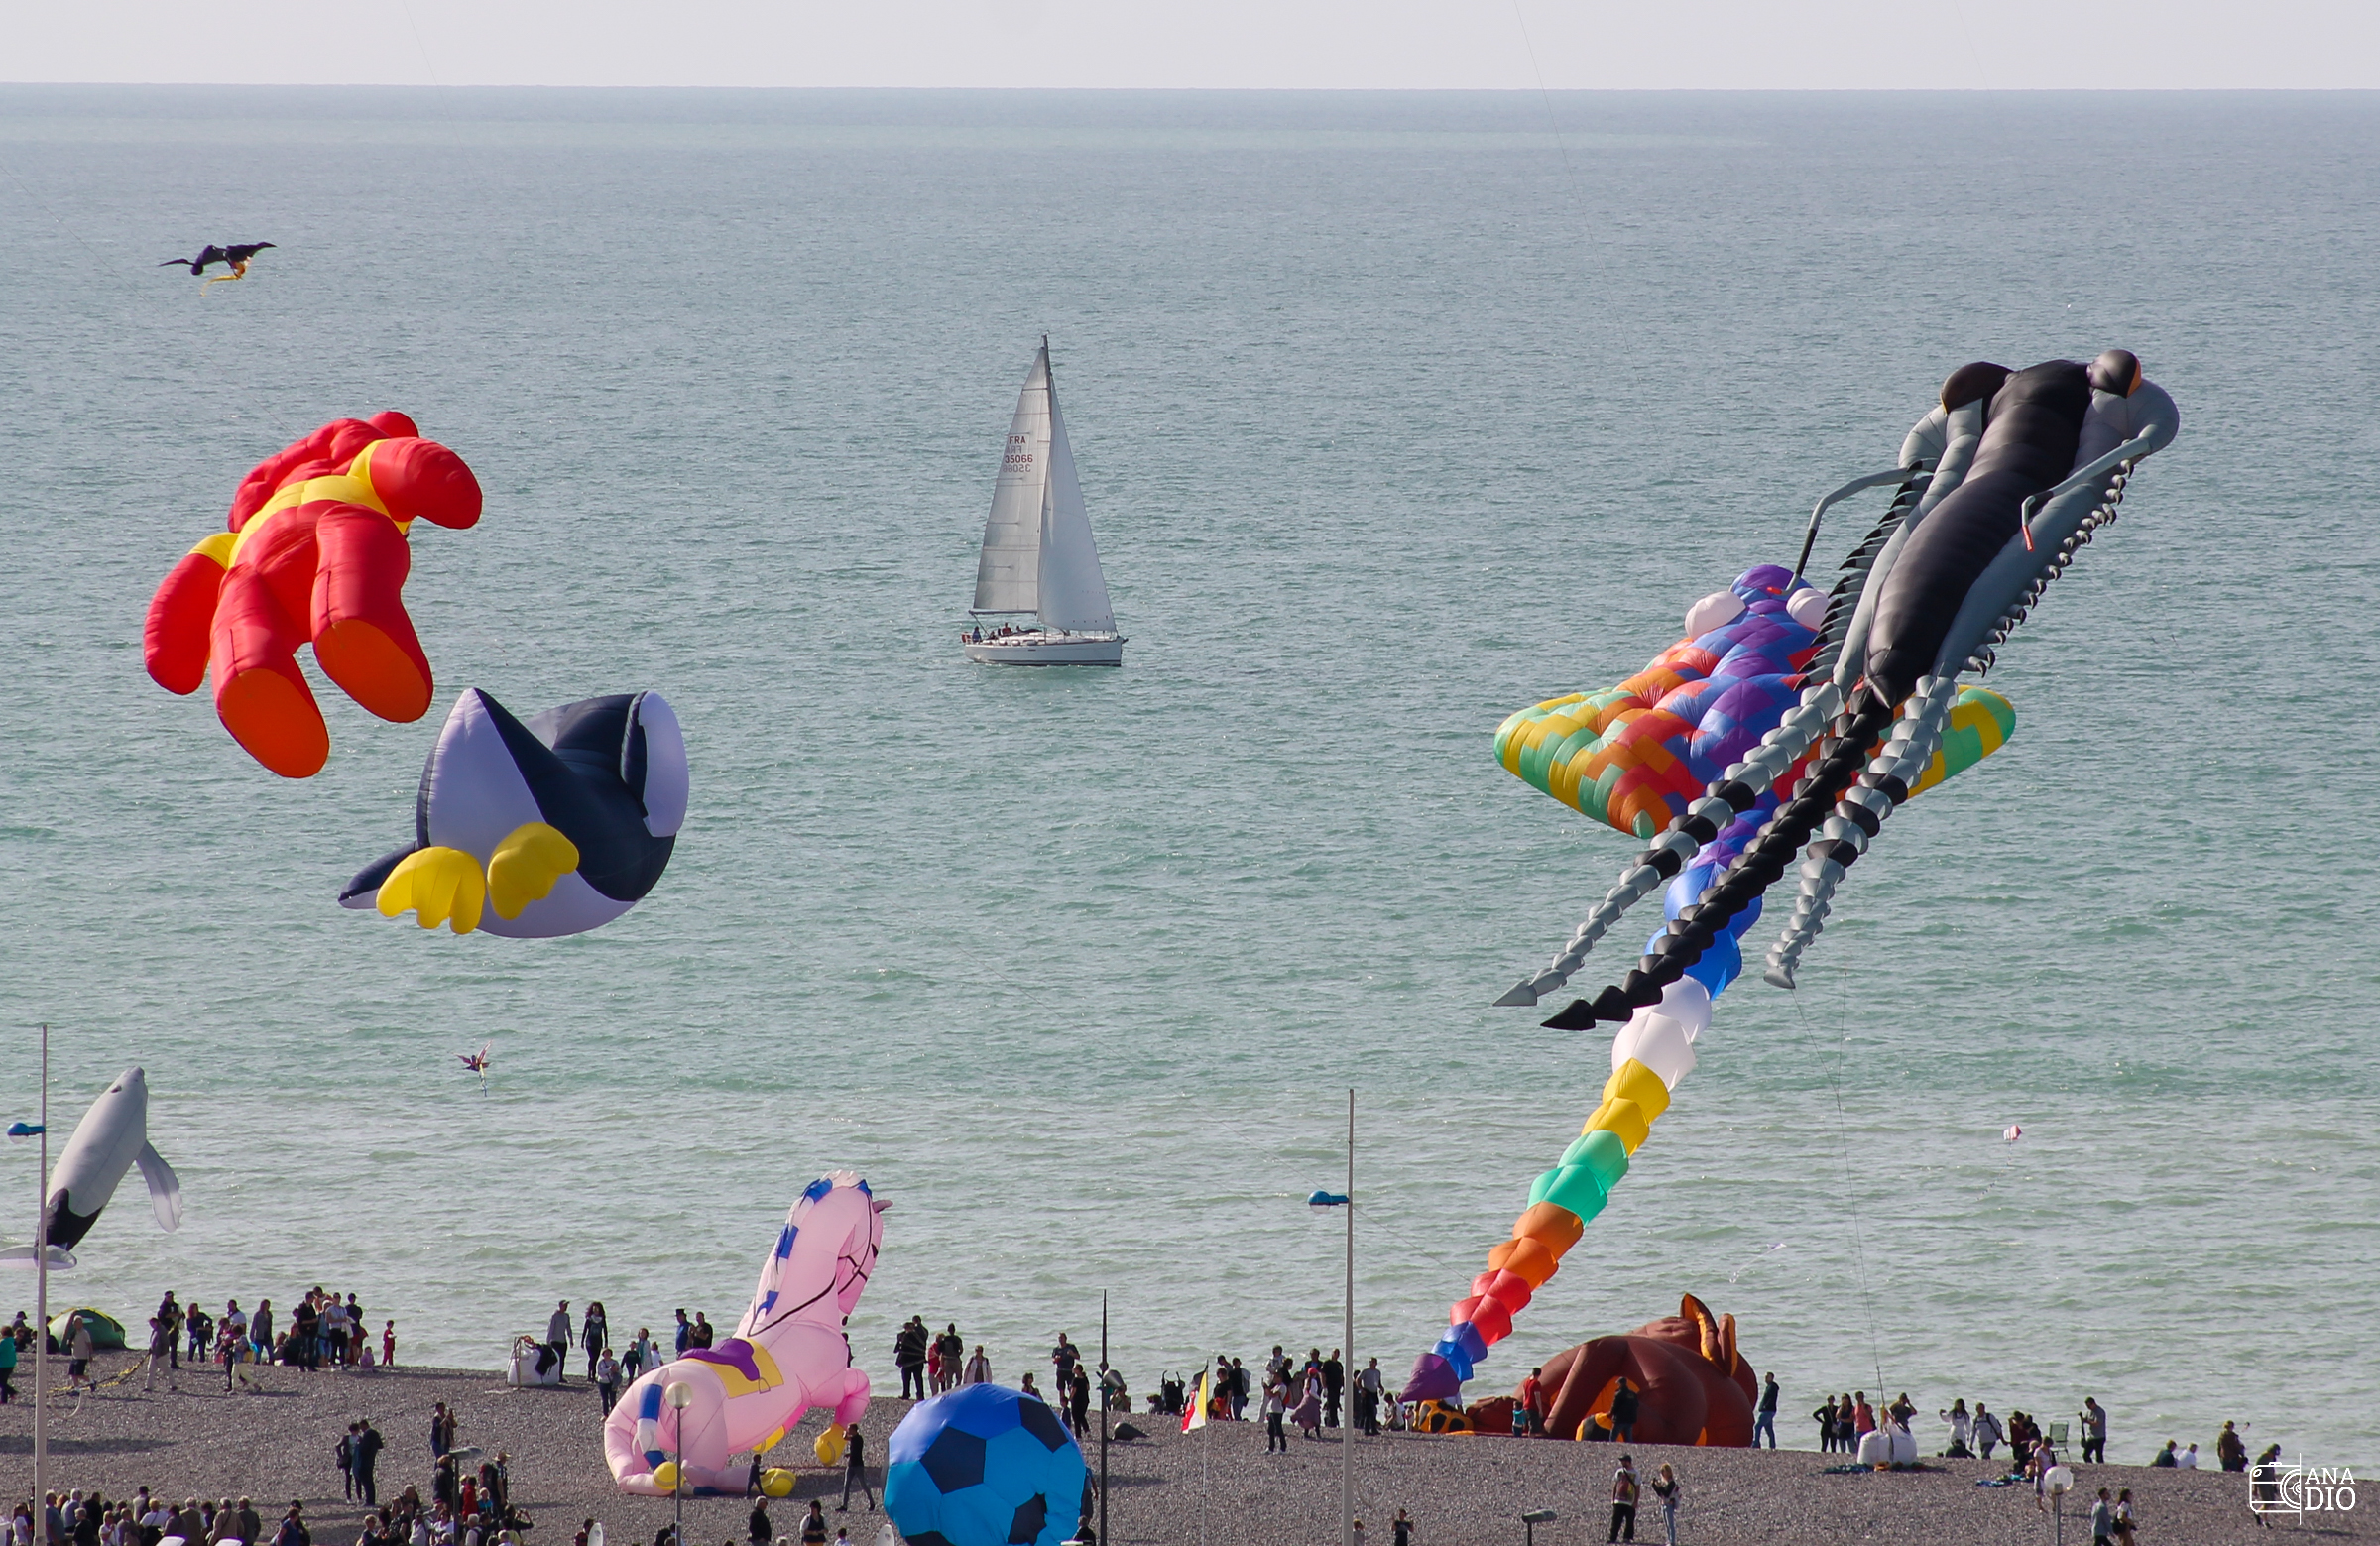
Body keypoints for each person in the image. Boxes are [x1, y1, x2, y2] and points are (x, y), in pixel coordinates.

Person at [838, 1424, 876, 1510]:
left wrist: (849, 1454)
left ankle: (872, 1502)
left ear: (854, 1430)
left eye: (849, 1429)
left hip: (858, 1465)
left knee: (863, 1484)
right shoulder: (853, 1438)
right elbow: (845, 1438)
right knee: (846, 1485)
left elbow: (856, 1452)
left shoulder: (858, 1439)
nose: (849, 1431)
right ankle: (844, 1506)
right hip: (851, 1465)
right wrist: (844, 1432)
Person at [1607, 1454, 1639, 1544]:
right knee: (1616, 1520)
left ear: (1628, 1462)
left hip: (1630, 1500)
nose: (1622, 1462)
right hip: (1619, 1499)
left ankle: (1627, 1537)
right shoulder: (1619, 1472)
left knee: (1630, 1521)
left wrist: (1636, 1501)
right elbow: (1615, 1485)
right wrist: (1613, 1498)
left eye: (1623, 1461)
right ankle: (1613, 1537)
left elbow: (1637, 1487)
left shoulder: (1636, 1473)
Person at [355, 1420, 384, 1505]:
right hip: (371, 1460)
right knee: (370, 1481)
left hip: (365, 1461)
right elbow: (380, 1445)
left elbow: (364, 1448)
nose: (361, 1429)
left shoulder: (368, 1434)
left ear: (365, 1425)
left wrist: (359, 1444)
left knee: (366, 1481)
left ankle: (369, 1500)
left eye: (361, 1427)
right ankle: (371, 1499)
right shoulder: (375, 1433)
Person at [1650, 1464, 1680, 1546]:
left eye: (1664, 1471)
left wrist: (1659, 1486)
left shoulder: (1672, 1483)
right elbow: (1661, 1494)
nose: (1662, 1473)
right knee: (1667, 1524)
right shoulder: (1666, 1483)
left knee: (1670, 1524)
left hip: (1669, 1505)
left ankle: (1672, 1541)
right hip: (1664, 1504)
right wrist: (1655, 1486)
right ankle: (1669, 1540)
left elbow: (1666, 1493)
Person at [1359, 1358, 1385, 1436]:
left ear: (1376, 1363)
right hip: (1367, 1392)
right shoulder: (1365, 1371)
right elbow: (1358, 1380)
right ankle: (1366, 1430)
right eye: (1370, 1362)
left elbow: (1378, 1382)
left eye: (1373, 1362)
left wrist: (1381, 1388)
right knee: (1368, 1412)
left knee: (1374, 1411)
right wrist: (1361, 1390)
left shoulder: (1378, 1372)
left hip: (1374, 1392)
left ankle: (1374, 1429)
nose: (1371, 1363)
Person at [546, 1302, 573, 1381]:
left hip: (563, 1341)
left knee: (562, 1359)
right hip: (555, 1341)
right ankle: (552, 1376)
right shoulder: (555, 1316)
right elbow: (551, 1329)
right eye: (564, 1305)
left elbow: (568, 1328)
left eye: (567, 1306)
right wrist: (548, 1341)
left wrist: (571, 1339)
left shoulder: (566, 1316)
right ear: (560, 1306)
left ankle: (560, 1376)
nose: (566, 1307)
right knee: (555, 1360)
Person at [582, 1304, 608, 1382]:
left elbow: (605, 1330)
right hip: (590, 1341)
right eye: (594, 1309)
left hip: (598, 1341)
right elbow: (585, 1330)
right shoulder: (589, 1319)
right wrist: (582, 1341)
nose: (596, 1310)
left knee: (595, 1359)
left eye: (597, 1309)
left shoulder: (602, 1319)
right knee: (592, 1358)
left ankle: (593, 1375)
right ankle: (589, 1375)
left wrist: (606, 1341)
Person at [1293, 1369, 1322, 1440]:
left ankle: (1306, 1434)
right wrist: (1318, 1399)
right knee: (1315, 1417)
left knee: (1307, 1416)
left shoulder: (1306, 1380)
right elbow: (1313, 1392)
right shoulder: (1314, 1381)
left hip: (1306, 1399)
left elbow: (1304, 1391)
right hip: (1312, 1401)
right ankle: (1318, 1435)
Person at [1608, 1378, 1639, 1443]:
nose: (1618, 1386)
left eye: (1618, 1384)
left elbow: (1615, 1406)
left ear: (1621, 1384)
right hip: (1630, 1419)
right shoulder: (1633, 1394)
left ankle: (1611, 1450)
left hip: (1620, 1419)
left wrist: (1610, 1414)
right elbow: (1637, 1405)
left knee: (1613, 1437)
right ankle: (1631, 1451)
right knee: (1629, 1438)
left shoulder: (1619, 1394)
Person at [1261, 1378, 1287, 1453]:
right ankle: (1271, 1447)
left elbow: (1273, 1395)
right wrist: (1265, 1388)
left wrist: (1267, 1388)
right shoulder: (1276, 1386)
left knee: (1278, 1430)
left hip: (1278, 1411)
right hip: (1272, 1410)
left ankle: (1283, 1447)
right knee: (1271, 1430)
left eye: (1276, 1377)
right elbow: (1268, 1394)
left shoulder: (1282, 1387)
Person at [1753, 1372, 1779, 1449]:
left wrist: (1765, 1407)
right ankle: (1772, 1446)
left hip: (1768, 1410)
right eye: (1766, 1377)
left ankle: (1756, 1444)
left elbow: (1771, 1399)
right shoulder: (1769, 1387)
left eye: (1767, 1377)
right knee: (1769, 1429)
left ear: (1772, 1378)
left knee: (1758, 1426)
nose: (1766, 1379)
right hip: (1769, 1410)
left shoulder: (1772, 1387)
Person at [2081, 1397, 2108, 1464]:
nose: (2088, 1407)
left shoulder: (2100, 1412)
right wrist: (2082, 1419)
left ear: (2093, 1404)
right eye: (2087, 1406)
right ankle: (2091, 1466)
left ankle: (2101, 1469)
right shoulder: (2089, 1412)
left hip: (2099, 1437)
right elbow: (2086, 1420)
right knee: (2086, 1455)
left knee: (2099, 1456)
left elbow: (2097, 1424)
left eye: (2089, 1406)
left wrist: (2087, 1421)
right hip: (2092, 1436)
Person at [595, 1348, 622, 1413]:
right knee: (604, 1399)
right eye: (605, 1353)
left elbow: (620, 1371)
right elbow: (600, 1372)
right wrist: (609, 1370)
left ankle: (614, 1414)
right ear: (603, 1354)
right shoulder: (601, 1363)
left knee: (613, 1399)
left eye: (608, 1353)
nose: (607, 1354)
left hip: (612, 1383)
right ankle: (605, 1414)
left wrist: (616, 1370)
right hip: (603, 1383)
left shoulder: (615, 1362)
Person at [1323, 1350, 1345, 1428]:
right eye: (1335, 1352)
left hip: (1337, 1386)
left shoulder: (1339, 1364)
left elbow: (1341, 1376)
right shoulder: (1327, 1363)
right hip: (1330, 1386)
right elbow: (1322, 1374)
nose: (1336, 1354)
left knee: (1336, 1403)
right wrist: (1324, 1386)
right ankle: (1332, 1421)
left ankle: (1334, 1420)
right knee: (1331, 1404)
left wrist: (1344, 1386)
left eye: (1338, 1353)